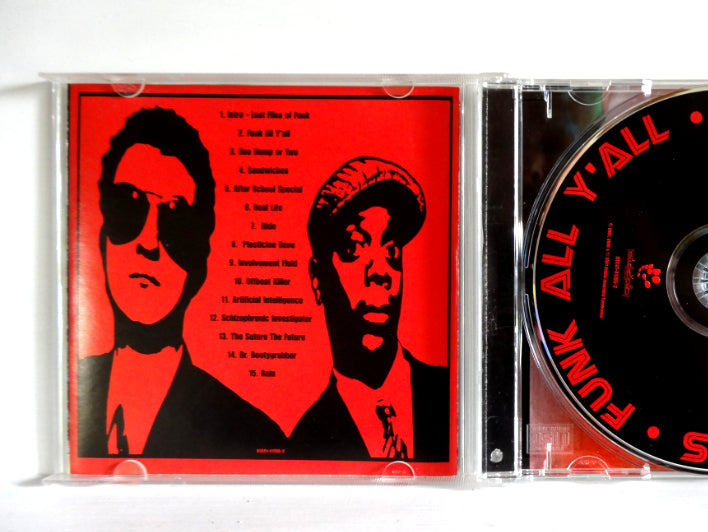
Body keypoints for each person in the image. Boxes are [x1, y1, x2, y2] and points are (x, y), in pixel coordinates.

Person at [76, 107, 285, 459]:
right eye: (129, 206)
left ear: (200, 262)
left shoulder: (251, 433)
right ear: (101, 238)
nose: (149, 241)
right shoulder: (65, 391)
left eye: (175, 217)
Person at [288, 157, 450, 460]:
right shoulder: (304, 443)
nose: (380, 272)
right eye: (354, 248)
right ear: (317, 279)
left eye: (392, 250)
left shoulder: (451, 393)